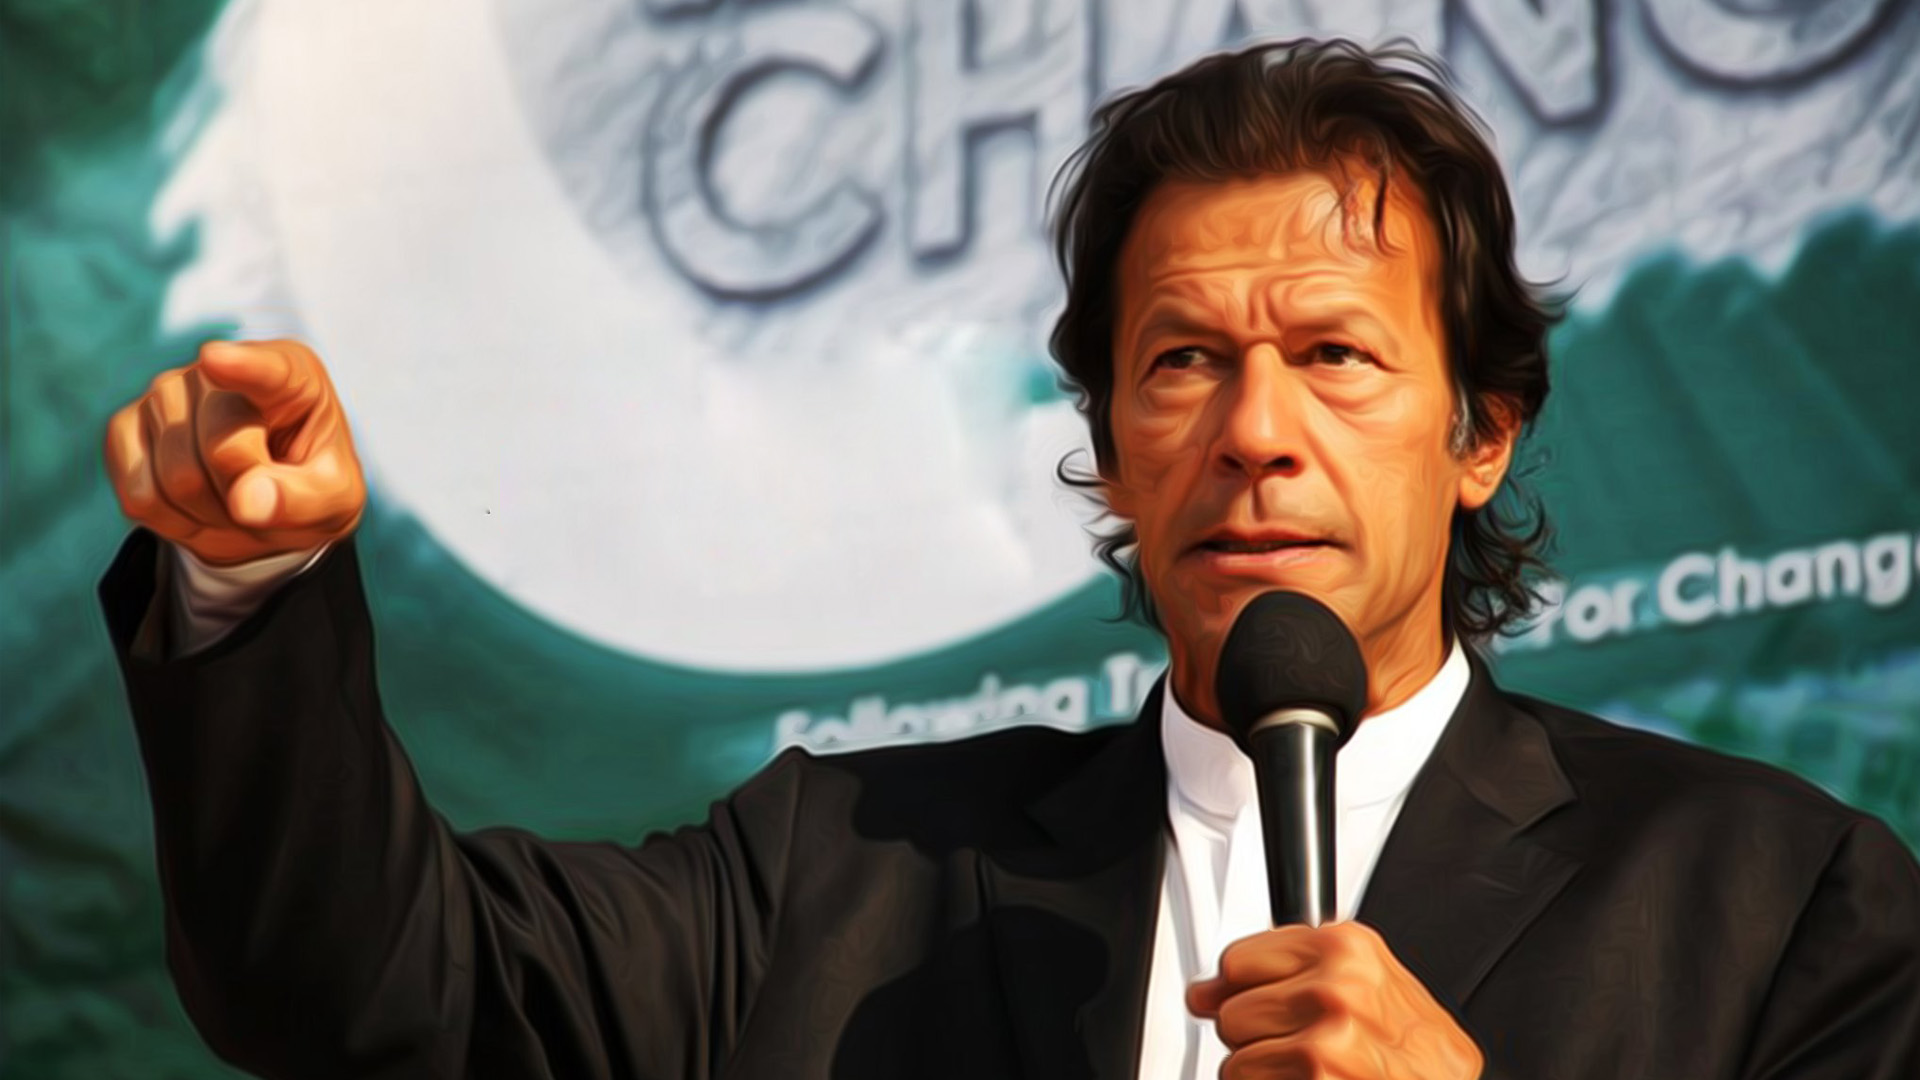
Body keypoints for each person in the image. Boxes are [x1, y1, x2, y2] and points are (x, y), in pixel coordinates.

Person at [99, 39, 1919, 1080]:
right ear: (1111, 448)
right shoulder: (838, 870)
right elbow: (361, 987)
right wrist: (248, 588)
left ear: (1482, 433)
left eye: (1336, 355)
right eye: (1182, 362)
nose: (1255, 430)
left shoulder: (1780, 904)